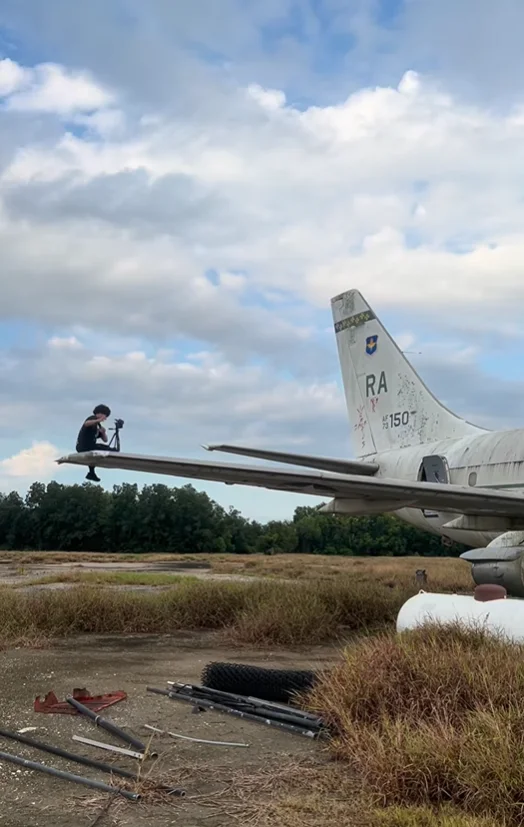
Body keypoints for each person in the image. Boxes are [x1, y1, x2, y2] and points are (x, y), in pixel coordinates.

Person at [76, 404, 118, 482]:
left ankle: (91, 473)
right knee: (111, 450)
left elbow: (105, 440)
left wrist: (103, 432)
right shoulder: (93, 418)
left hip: (89, 446)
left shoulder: (97, 426)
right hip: (84, 446)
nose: (105, 419)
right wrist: (98, 420)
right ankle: (92, 472)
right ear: (100, 413)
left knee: (102, 450)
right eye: (105, 416)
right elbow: (86, 423)